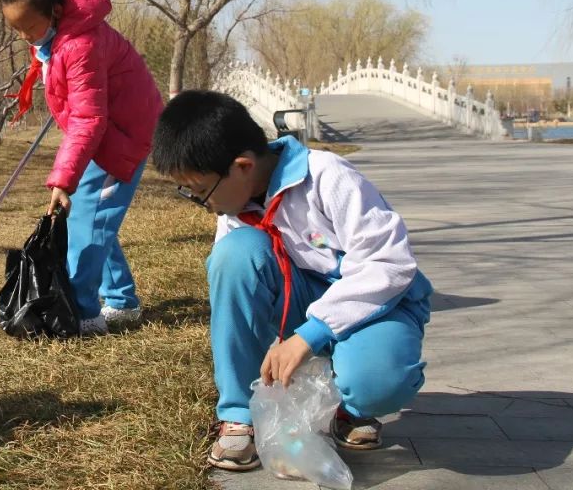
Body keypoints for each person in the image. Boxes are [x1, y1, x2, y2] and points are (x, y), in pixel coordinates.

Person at [150, 90, 432, 471]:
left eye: (202, 192)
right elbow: (238, 289)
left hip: (375, 307)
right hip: (301, 300)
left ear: (243, 166)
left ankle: (351, 408)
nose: (205, 204)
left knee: (379, 383)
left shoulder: (328, 177)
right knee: (233, 254)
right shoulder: (235, 205)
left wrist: (310, 335)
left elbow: (388, 263)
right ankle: (239, 415)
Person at [0, 0, 164, 336]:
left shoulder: (80, 44)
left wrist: (63, 180)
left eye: (30, 27)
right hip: (103, 132)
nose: (24, 36)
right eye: (17, 30)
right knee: (92, 219)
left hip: (121, 136)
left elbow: (90, 117)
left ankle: (85, 316)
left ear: (55, 10)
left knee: (89, 223)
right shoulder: (61, 36)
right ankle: (121, 302)